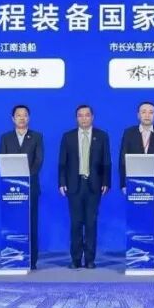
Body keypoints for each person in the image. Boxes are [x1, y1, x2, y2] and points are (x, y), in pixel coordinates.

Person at [58, 105, 111, 269]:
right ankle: (75, 259)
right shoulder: (68, 137)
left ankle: (89, 259)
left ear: (92, 117)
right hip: (74, 185)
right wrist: (62, 182)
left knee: (91, 223)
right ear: (76, 118)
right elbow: (62, 162)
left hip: (94, 185)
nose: (84, 118)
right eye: (80, 115)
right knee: (75, 223)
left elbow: (106, 162)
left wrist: (106, 182)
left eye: (87, 115)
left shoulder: (102, 136)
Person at [0, 105, 43, 269]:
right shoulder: (5, 138)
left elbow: (38, 160)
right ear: (13, 119)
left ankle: (31, 260)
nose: (22, 118)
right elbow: (2, 159)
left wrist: (25, 178)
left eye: (24, 115)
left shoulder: (37, 137)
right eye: (18, 115)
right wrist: (14, 179)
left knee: (31, 224)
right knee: (12, 223)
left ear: (29, 118)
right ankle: (13, 258)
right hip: (10, 189)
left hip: (30, 187)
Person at [119, 101, 154, 221]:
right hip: (134, 182)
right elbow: (122, 159)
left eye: (151, 112)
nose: (147, 115)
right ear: (138, 115)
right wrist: (123, 183)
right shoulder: (129, 133)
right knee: (136, 217)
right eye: (143, 112)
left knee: (153, 218)